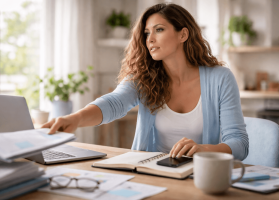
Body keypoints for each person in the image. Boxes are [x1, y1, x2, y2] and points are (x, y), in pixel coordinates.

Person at [42, 3, 249, 161]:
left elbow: (239, 144)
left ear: (183, 34)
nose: (149, 39)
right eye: (147, 33)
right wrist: (76, 119)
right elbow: (115, 102)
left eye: (159, 30)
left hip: (200, 176)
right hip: (152, 172)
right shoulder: (145, 77)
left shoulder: (221, 78)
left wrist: (204, 149)